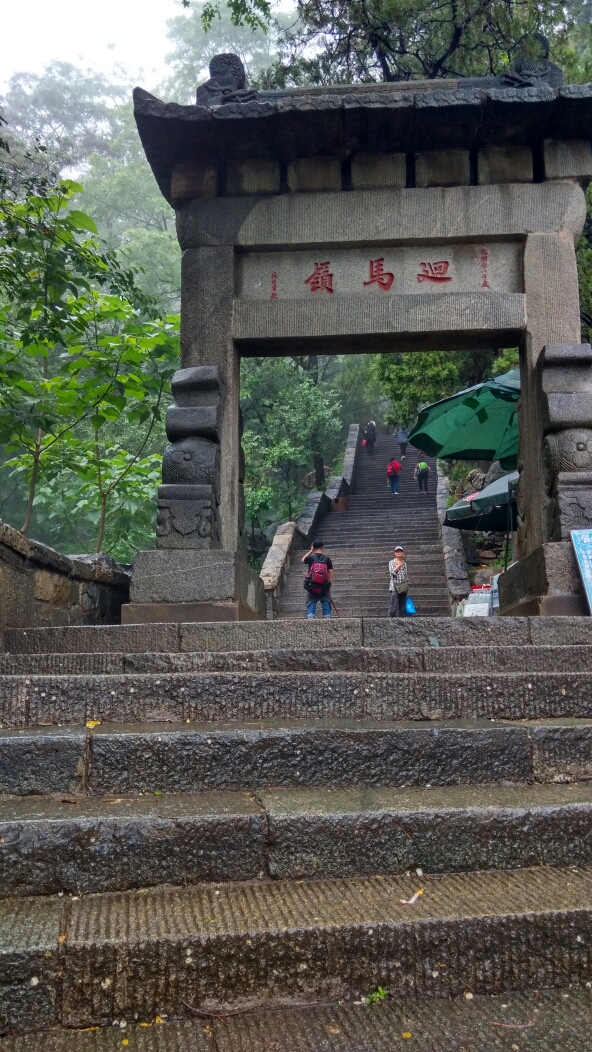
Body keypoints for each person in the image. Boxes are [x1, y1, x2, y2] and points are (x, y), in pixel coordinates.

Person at [301, 538, 334, 618]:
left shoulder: (310, 558)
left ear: (313, 547)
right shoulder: (327, 560)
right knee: (326, 606)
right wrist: (329, 587)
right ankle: (327, 621)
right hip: (324, 587)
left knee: (311, 604)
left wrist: (310, 551)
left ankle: (310, 620)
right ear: (323, 547)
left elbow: (302, 560)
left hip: (312, 586)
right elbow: (331, 576)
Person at [388, 545, 408, 617]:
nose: (399, 552)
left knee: (402, 606)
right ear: (395, 553)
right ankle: (390, 621)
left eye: (400, 551)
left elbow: (405, 575)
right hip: (395, 586)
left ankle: (401, 621)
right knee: (393, 605)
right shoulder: (391, 562)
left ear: (403, 553)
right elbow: (392, 573)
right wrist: (399, 566)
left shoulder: (404, 564)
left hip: (403, 587)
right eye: (397, 551)